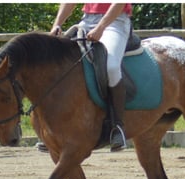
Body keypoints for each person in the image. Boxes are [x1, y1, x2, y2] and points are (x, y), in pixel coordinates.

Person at [51, 3, 132, 151]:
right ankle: (52, 128)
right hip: (86, 21)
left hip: (115, 22)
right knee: (56, 61)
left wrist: (101, 27)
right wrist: (57, 24)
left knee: (111, 67)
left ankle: (117, 127)